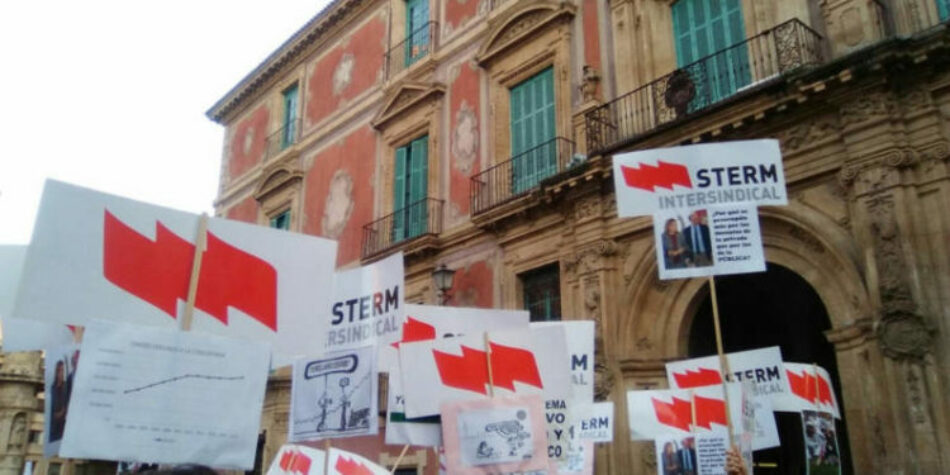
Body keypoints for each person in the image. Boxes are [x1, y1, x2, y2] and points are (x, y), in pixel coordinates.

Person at [49, 360, 68, 442]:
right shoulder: (53, 387)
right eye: (60, 370)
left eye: (63, 371)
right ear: (57, 372)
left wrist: (62, 412)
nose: (62, 373)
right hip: (53, 427)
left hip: (63, 427)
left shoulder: (66, 386)